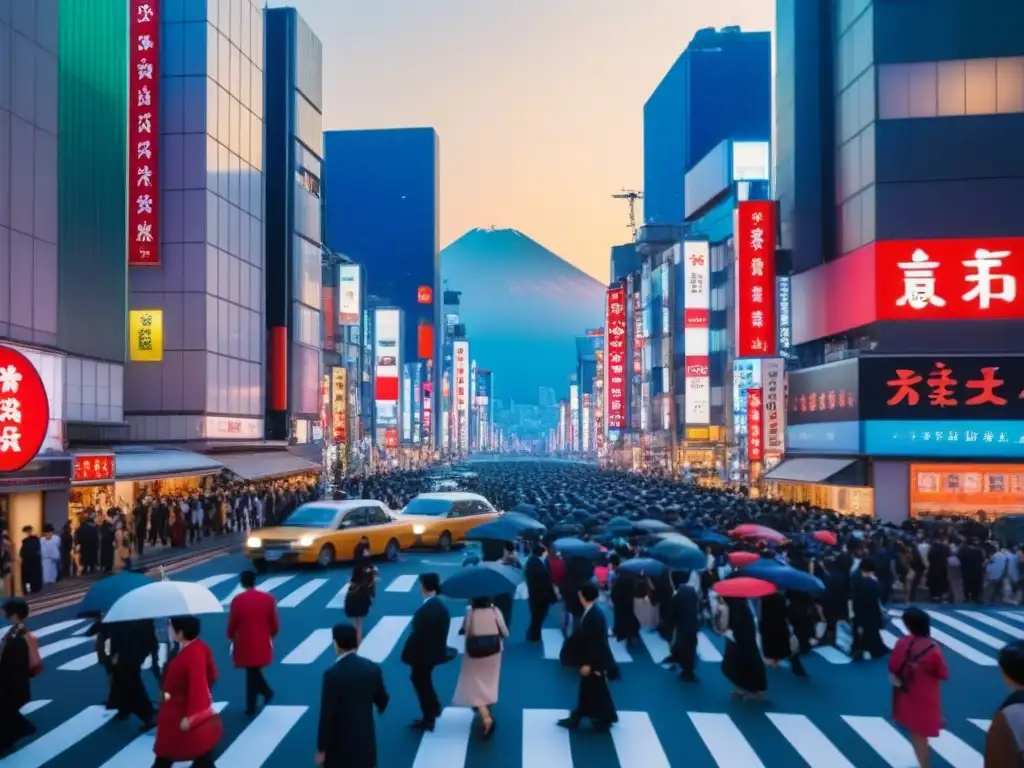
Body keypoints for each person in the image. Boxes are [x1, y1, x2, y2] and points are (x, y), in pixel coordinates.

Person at [316, 623, 389, 768]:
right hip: (365, 738)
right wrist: (379, 706)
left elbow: (327, 715)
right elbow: (382, 699)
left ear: (336, 644)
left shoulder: (332, 675)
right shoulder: (372, 668)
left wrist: (321, 748)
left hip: (339, 742)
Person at [153, 615, 222, 768]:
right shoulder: (202, 648)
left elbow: (169, 688)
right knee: (201, 752)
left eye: (171, 627)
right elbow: (212, 675)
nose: (168, 630)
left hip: (177, 714)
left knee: (165, 755)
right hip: (190, 712)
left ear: (180, 633)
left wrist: (165, 697)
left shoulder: (181, 659)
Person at [888, 607, 948, 767]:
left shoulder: (902, 643)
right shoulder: (933, 648)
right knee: (922, 732)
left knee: (915, 731)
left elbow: (893, 666)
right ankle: (924, 764)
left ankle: (922, 763)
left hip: (907, 692)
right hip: (927, 694)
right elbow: (943, 673)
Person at [557, 583, 619, 732]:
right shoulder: (594, 612)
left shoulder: (593, 616)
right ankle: (597, 716)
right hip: (596, 660)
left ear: (583, 597)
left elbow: (595, 643)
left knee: (592, 689)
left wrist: (589, 664)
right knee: (593, 689)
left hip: (594, 661)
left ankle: (585, 717)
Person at [400, 572, 451, 731]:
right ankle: (433, 708)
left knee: (420, 681)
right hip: (433, 651)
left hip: (423, 654)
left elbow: (418, 634)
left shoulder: (427, 609)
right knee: (423, 680)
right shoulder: (439, 606)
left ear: (425, 587)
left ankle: (429, 715)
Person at [452, 596, 508, 738]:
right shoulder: (495, 611)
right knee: (490, 680)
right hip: (494, 652)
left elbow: (466, 630)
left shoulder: (471, 613)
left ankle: (486, 717)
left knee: (473, 683)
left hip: (475, 653)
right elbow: (505, 632)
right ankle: (487, 703)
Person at [226, 570, 278, 716]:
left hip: (244, 641)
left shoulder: (237, 600)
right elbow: (274, 624)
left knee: (251, 671)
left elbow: (232, 624)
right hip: (262, 640)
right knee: (253, 671)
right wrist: (270, 635)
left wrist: (230, 636)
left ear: (242, 583)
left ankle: (259, 699)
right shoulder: (268, 599)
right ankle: (258, 699)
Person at [0, 598, 40, 755]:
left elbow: (13, 665)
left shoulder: (19, 637)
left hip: (12, 684)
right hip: (11, 682)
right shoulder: (16, 631)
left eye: (6, 612)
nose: (3, 614)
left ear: (14, 615)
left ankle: (21, 731)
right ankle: (10, 738)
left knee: (5, 712)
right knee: (5, 713)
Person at [718, 595, 767, 701]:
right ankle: (744, 687)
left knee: (739, 663)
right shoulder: (738, 605)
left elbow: (735, 623)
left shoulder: (737, 606)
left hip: (742, 638)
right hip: (740, 639)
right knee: (734, 663)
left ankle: (755, 691)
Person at [668, 569, 700, 682]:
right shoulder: (691, 591)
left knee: (685, 648)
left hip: (683, 627)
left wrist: (669, 628)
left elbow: (672, 616)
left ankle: (687, 673)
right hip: (693, 625)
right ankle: (685, 668)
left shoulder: (677, 596)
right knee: (690, 647)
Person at [345, 538, 376, 645]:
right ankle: (358, 637)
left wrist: (351, 583)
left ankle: (356, 638)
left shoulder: (358, 566)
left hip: (356, 594)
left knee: (355, 618)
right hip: (365, 594)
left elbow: (354, 580)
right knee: (360, 620)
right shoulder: (370, 567)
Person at [524, 545, 556, 642]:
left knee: (537, 616)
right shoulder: (537, 564)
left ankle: (534, 634)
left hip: (535, 594)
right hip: (539, 595)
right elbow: (544, 580)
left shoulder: (532, 562)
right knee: (538, 616)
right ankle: (533, 635)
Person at [18, 526, 42, 595]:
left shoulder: (28, 541)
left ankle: (29, 590)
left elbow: (22, 552)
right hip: (32, 562)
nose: (27, 533)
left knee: (27, 578)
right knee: (30, 577)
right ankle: (31, 590)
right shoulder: (34, 540)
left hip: (28, 562)